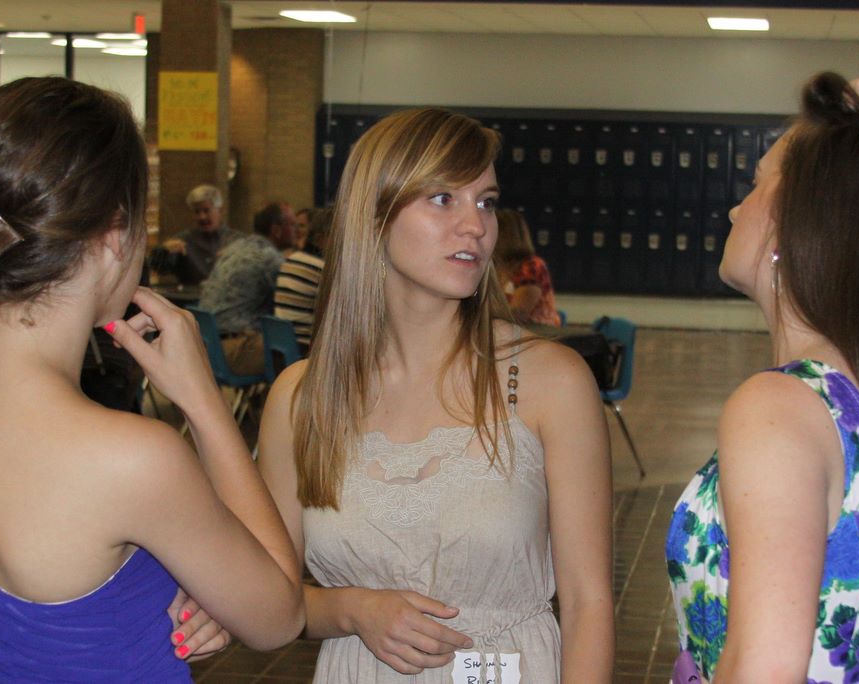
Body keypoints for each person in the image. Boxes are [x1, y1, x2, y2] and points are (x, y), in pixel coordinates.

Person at [0, 76, 303, 680]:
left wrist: (173, 590)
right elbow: (279, 616)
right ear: (113, 235)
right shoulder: (130, 459)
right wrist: (204, 403)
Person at [257, 108, 614, 682]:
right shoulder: (302, 399)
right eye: (444, 198)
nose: (476, 225)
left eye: (486, 202)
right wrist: (352, 608)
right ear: (373, 216)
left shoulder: (550, 382)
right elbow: (270, 603)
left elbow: (588, 602)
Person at [665, 70, 859, 682]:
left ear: (800, 217)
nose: (736, 207)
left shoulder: (781, 404)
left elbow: (763, 669)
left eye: (757, 183)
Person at [198, 201, 298, 375]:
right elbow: (293, 301)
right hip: (235, 351)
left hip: (207, 346)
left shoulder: (235, 247)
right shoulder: (269, 257)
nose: (297, 231)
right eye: (293, 225)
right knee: (302, 355)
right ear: (276, 230)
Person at [149, 183, 241, 286]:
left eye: (206, 210)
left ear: (220, 210)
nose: (201, 217)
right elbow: (158, 268)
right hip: (191, 295)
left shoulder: (237, 241)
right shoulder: (183, 241)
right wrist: (164, 251)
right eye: (197, 212)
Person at [274, 206, 331, 351]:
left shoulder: (291, 259)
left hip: (282, 347)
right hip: (306, 350)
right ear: (320, 239)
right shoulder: (320, 268)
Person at [493, 208, 562, 329]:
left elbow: (518, 314)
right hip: (508, 331)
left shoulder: (531, 266)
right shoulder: (495, 266)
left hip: (537, 332)